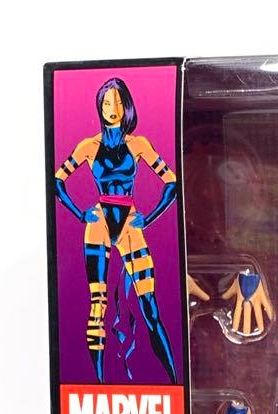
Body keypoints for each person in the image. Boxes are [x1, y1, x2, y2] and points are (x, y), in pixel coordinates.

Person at [54, 77, 178, 382]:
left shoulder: (139, 144)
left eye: (119, 102)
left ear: (127, 107)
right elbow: (57, 181)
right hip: (98, 225)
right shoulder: (88, 146)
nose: (113, 108)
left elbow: (172, 182)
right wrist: (80, 214)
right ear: (99, 106)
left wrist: (149, 218)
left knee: (149, 305)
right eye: (107, 102)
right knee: (98, 305)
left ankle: (175, 381)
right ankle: (98, 384)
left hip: (130, 224)